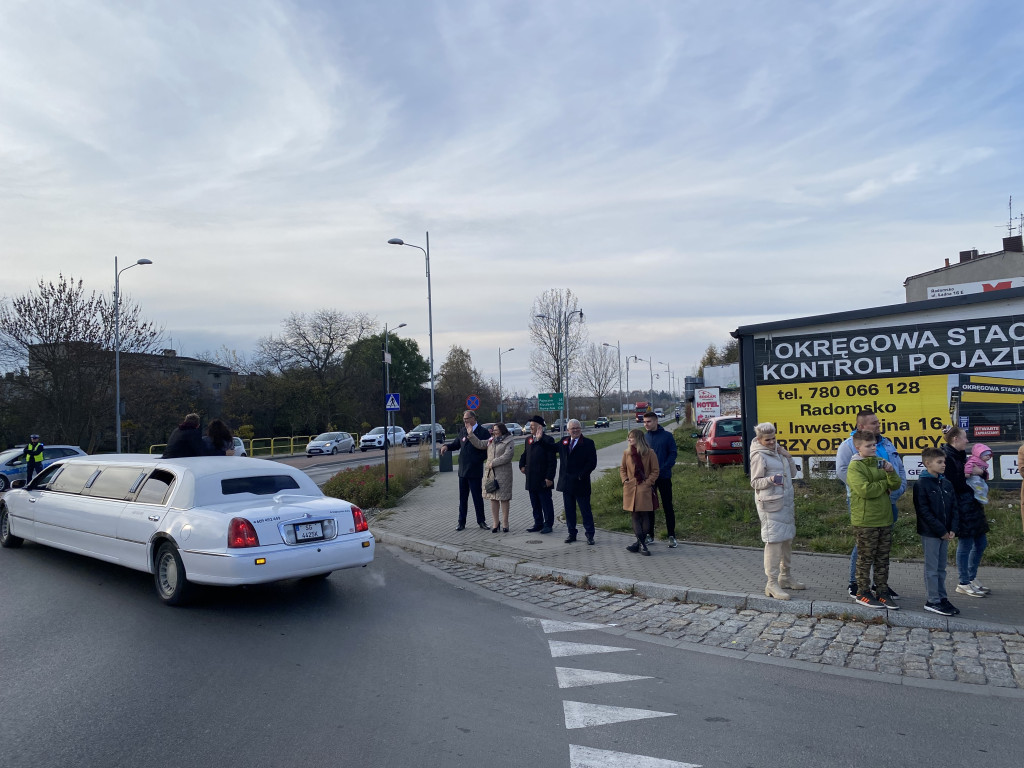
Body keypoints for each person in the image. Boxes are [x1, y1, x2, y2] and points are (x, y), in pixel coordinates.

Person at [836, 409, 906, 598]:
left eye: (878, 422)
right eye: (873, 423)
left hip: (887, 500)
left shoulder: (885, 442)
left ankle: (879, 585)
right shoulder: (849, 445)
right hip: (864, 502)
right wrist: (864, 488)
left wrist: (900, 487)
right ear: (861, 426)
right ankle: (856, 583)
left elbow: (897, 467)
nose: (878, 425)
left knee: (882, 546)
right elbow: (843, 471)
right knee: (864, 545)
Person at [847, 429, 902, 609]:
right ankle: (862, 591)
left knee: (882, 558)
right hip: (866, 520)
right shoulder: (855, 466)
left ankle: (882, 591)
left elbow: (895, 484)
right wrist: (884, 484)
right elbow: (865, 490)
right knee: (865, 558)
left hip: (884, 518)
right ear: (858, 447)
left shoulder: (880, 462)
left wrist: (891, 472)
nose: (873, 448)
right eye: (868, 445)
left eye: (874, 445)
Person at [749, 422, 802, 600]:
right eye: (768, 440)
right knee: (774, 542)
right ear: (759, 439)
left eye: (773, 438)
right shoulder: (758, 456)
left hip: (785, 502)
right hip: (770, 505)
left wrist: (788, 456)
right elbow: (755, 482)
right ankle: (771, 583)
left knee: (787, 539)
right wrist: (771, 479)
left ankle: (785, 577)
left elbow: (793, 474)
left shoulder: (778, 453)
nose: (772, 442)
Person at [941, 426, 991, 598]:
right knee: (966, 544)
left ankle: (971, 577)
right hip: (961, 506)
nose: (967, 440)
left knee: (981, 543)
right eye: (964, 437)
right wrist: (970, 476)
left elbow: (981, 473)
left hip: (972, 505)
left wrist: (979, 473)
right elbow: (953, 483)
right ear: (955, 439)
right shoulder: (947, 458)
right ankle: (963, 582)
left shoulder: (963, 457)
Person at [913, 446, 960, 617]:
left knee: (942, 568)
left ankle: (942, 597)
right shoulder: (921, 484)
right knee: (932, 568)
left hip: (946, 532)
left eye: (944, 461)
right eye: (939, 462)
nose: (943, 465)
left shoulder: (946, 483)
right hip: (931, 533)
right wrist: (940, 530)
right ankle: (932, 600)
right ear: (927, 463)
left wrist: (953, 528)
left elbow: (954, 507)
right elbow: (923, 511)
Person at [439, 410, 490, 531]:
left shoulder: (482, 432)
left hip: (475, 470)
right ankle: (461, 522)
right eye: (464, 419)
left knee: (477, 497)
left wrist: (476, 460)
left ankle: (481, 521)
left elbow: (487, 450)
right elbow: (457, 444)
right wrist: (446, 446)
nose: (465, 421)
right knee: (463, 498)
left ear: (473, 418)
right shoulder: (462, 431)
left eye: (467, 419)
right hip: (463, 470)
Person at [557, 419, 598, 545]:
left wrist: (581, 475)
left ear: (580, 429)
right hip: (567, 483)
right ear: (568, 430)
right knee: (569, 511)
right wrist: (540, 439)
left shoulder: (588, 443)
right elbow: (551, 448)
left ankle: (590, 535)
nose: (575, 430)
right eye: (572, 428)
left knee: (585, 510)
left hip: (581, 483)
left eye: (577, 428)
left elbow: (592, 463)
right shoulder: (564, 441)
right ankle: (572, 533)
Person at [642, 411, 679, 547]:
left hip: (664, 476)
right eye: (644, 422)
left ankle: (671, 536)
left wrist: (663, 468)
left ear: (656, 421)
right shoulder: (644, 438)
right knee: (649, 507)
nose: (646, 424)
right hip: (649, 479)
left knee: (667, 506)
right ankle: (649, 535)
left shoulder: (667, 436)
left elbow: (673, 453)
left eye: (649, 421)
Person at [620, 428, 659, 555]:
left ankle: (641, 545)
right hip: (631, 488)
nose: (629, 439)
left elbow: (655, 470)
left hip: (644, 488)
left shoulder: (650, 453)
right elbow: (623, 469)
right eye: (628, 437)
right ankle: (641, 544)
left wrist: (648, 483)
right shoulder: (627, 453)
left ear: (638, 438)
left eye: (631, 437)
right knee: (635, 515)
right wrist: (625, 480)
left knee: (644, 515)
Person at [519, 415, 557, 533]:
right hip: (531, 478)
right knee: (535, 503)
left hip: (543, 478)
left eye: (532, 426)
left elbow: (552, 461)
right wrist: (521, 465)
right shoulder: (528, 440)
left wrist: (549, 477)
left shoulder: (548, 440)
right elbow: (525, 454)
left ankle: (548, 524)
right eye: (530, 426)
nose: (530, 428)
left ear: (539, 427)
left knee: (545, 503)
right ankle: (538, 523)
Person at [483, 422, 514, 533]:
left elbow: (507, 456)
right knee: (493, 497)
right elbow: (480, 444)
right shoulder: (491, 441)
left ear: (501, 430)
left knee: (504, 498)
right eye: (493, 430)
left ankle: (505, 522)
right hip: (491, 473)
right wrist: (471, 435)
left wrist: (493, 462)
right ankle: (496, 522)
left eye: (496, 430)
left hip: (504, 473)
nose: (494, 432)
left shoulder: (508, 440)